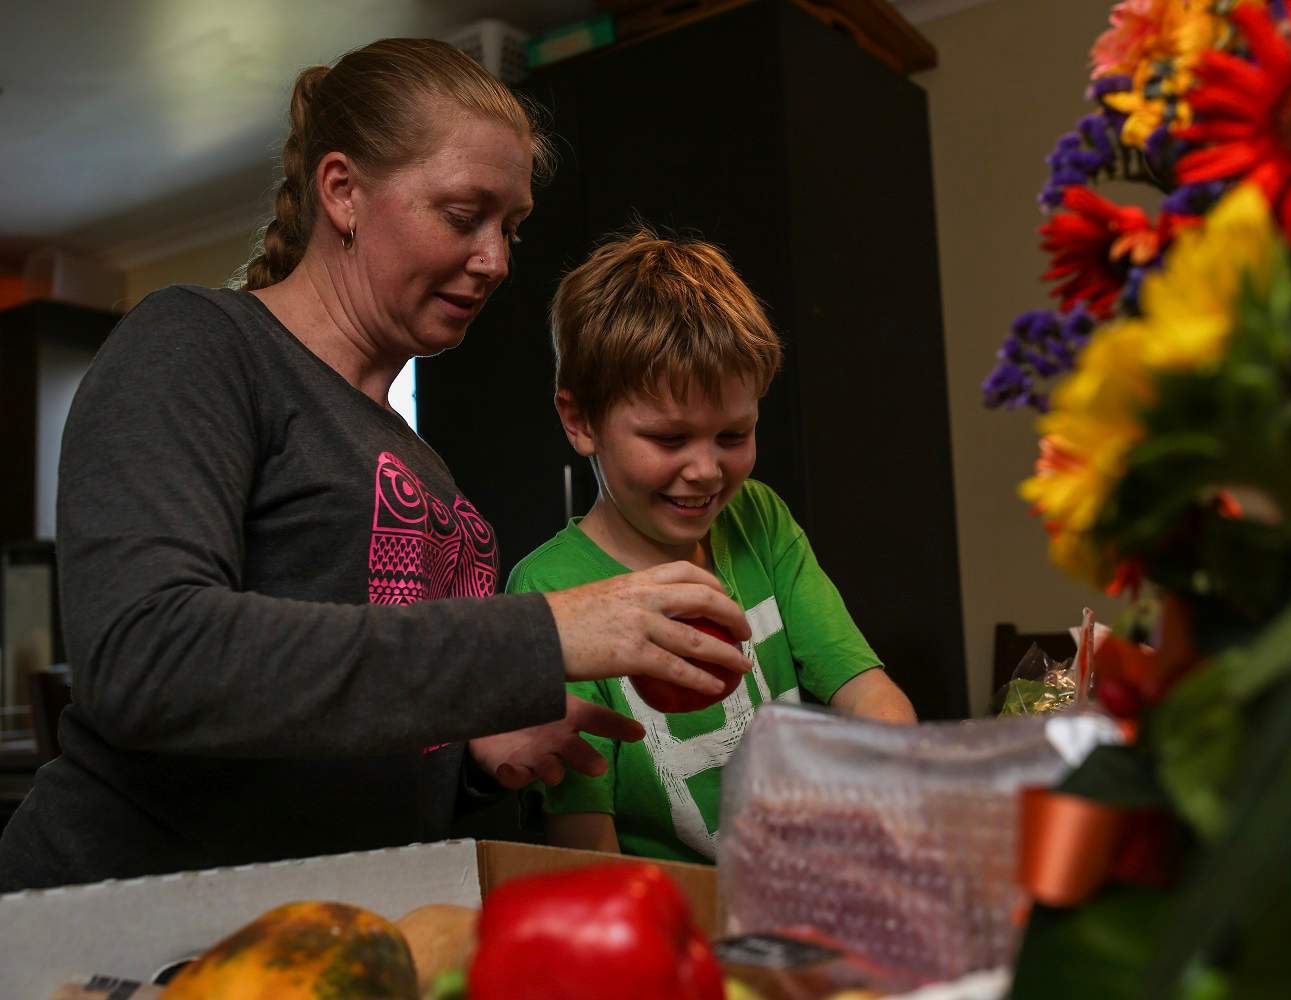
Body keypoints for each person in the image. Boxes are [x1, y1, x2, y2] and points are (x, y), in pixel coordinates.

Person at [0, 39, 752, 893]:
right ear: (343, 191)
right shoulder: (198, 344)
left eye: (511, 227)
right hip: (117, 923)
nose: (497, 260)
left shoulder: (419, 458)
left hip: (314, 928)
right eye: (464, 215)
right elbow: (151, 658)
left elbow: (345, 723)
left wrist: (468, 756)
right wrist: (547, 634)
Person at [506, 229, 917, 864]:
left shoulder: (759, 519)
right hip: (664, 921)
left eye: (733, 435)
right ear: (580, 420)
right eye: (670, 439)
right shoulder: (548, 591)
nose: (705, 470)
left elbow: (867, 691)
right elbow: (585, 841)